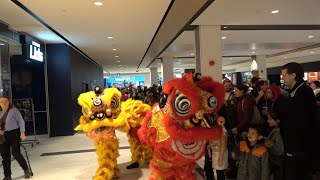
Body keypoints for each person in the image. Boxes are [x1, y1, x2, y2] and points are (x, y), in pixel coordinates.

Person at [281, 62, 317, 180]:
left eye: (284, 75)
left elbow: (302, 123)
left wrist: (292, 148)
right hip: (296, 147)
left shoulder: (303, 93)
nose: (282, 78)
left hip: (299, 148)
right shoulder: (296, 91)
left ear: (293, 75)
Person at [0, 96, 32, 180]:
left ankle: (26, 169)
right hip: (2, 136)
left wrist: (22, 133)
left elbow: (21, 121)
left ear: (9, 102)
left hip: (14, 133)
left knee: (16, 153)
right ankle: (7, 176)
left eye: (5, 101)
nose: (3, 103)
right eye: (1, 102)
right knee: (5, 156)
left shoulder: (14, 110)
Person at [266, 110, 284, 180]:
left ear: (278, 120)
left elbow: (280, 150)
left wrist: (269, 145)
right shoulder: (277, 130)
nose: (268, 121)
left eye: (270, 119)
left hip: (277, 161)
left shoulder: (277, 133)